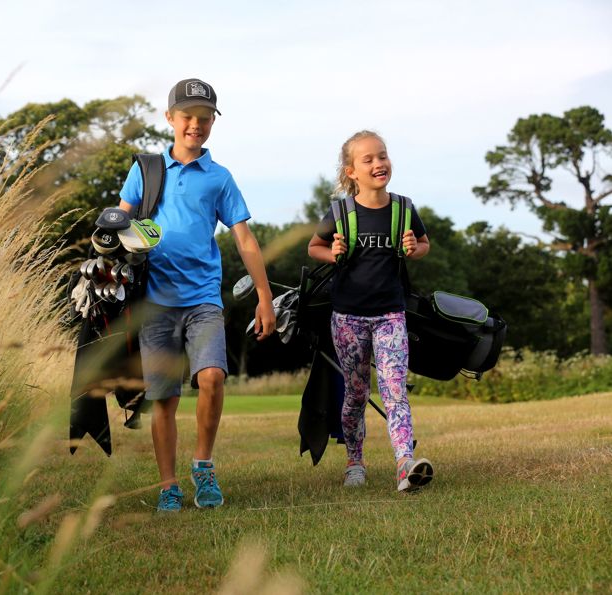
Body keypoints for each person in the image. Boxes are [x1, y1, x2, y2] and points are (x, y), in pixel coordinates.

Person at [118, 78, 276, 512]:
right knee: (164, 398)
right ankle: (169, 484)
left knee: (211, 377)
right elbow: (118, 224)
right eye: (187, 116)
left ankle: (202, 466)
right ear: (170, 118)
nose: (196, 125)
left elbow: (244, 239)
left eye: (204, 119)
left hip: (204, 298)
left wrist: (264, 295)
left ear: (212, 123)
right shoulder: (145, 170)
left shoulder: (219, 178)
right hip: (154, 301)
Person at [307, 130, 434, 492]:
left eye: (382, 156)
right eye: (368, 160)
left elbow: (424, 244)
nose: (379, 164)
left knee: (395, 389)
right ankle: (354, 461)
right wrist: (331, 252)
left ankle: (404, 464)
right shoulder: (340, 211)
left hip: (391, 314)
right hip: (347, 317)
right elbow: (314, 247)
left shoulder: (404, 208)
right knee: (356, 393)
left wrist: (414, 247)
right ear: (351, 172)